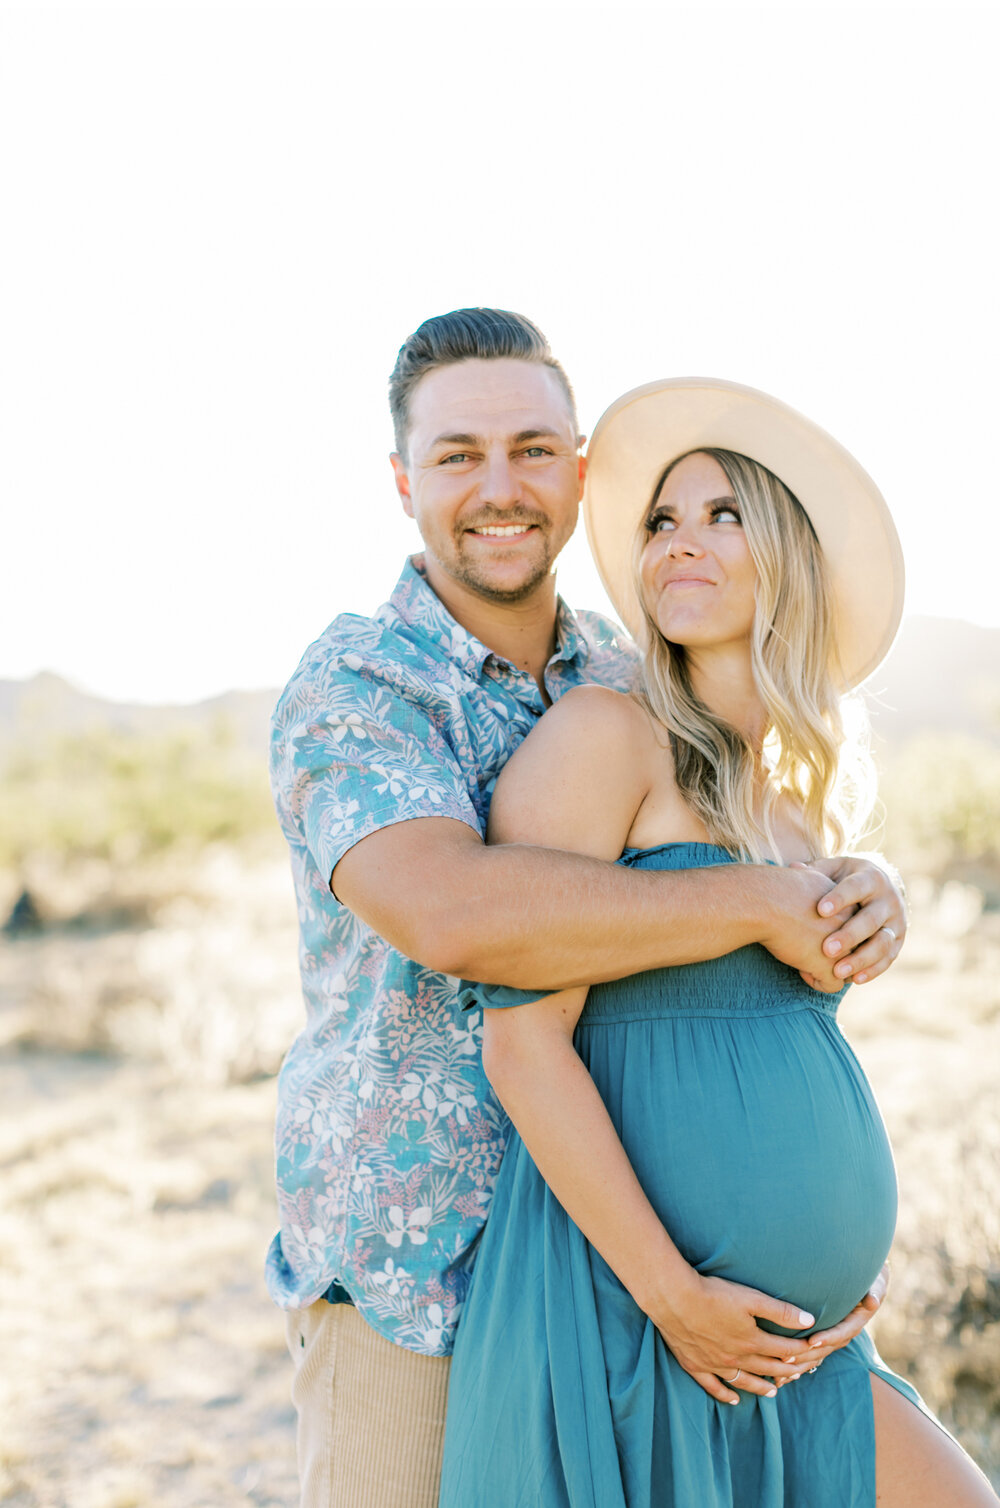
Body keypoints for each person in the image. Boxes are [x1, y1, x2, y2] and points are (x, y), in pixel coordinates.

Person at [268, 314, 907, 1508]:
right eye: (457, 455)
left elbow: (725, 857)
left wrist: (857, 883)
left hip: (644, 1264)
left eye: (530, 448)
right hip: (419, 1268)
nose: (498, 487)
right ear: (404, 481)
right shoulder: (360, 685)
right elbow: (455, 915)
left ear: (576, 471)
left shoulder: (631, 669)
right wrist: (760, 900)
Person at [438, 378, 997, 1507]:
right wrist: (671, 1294)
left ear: (786, 553)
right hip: (634, 1314)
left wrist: (876, 885)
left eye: (722, 514)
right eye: (659, 521)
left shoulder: (794, 805)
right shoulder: (606, 737)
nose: (679, 543)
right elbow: (520, 1044)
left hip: (808, 1346)